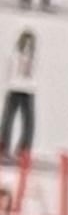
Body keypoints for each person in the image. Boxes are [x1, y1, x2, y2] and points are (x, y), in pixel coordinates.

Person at [0, 30, 33, 166]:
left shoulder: (33, 57)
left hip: (28, 90)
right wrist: (10, 84)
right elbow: (9, 71)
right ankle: (3, 148)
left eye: (30, 43)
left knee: (28, 122)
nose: (27, 46)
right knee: (8, 119)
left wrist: (32, 85)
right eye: (25, 42)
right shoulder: (14, 55)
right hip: (14, 88)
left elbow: (34, 73)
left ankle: (23, 151)